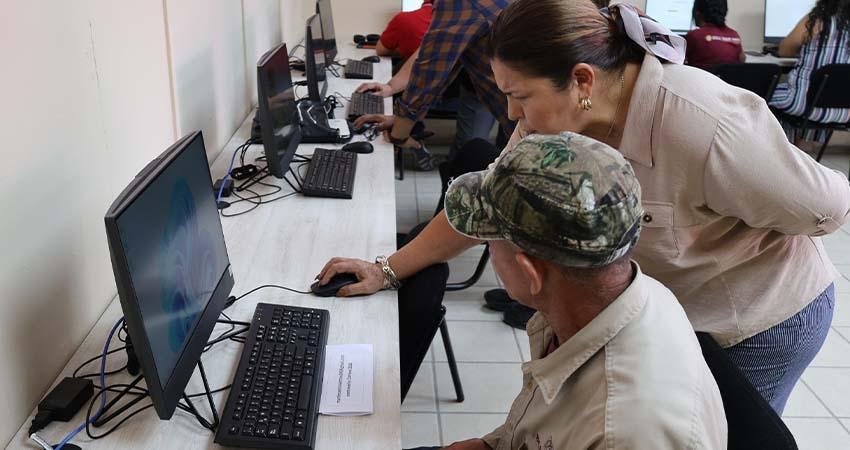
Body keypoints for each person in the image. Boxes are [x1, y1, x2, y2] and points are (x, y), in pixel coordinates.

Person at [317, 0, 850, 415]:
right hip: (669, 308)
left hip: (757, 320)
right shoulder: (544, 124)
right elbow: (488, 204)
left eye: (519, 95)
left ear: (582, 81)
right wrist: (387, 269)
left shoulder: (702, 123)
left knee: (721, 433)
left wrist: (738, 226)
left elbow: (828, 207)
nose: (509, 111)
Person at [405, 132, 727, 450]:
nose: (487, 249)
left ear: (531, 273)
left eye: (489, 241)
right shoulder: (626, 298)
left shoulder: (625, 432)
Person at [770, 0, 850, 147]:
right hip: (843, 111)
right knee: (815, 97)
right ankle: (798, 152)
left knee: (766, 95)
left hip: (805, 105)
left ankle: (782, 150)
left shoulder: (816, 20)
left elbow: (784, 50)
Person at [684, 0, 745, 69]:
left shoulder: (694, 36)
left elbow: (677, 62)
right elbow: (742, 60)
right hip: (727, 80)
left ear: (697, 12)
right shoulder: (734, 35)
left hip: (700, 79)